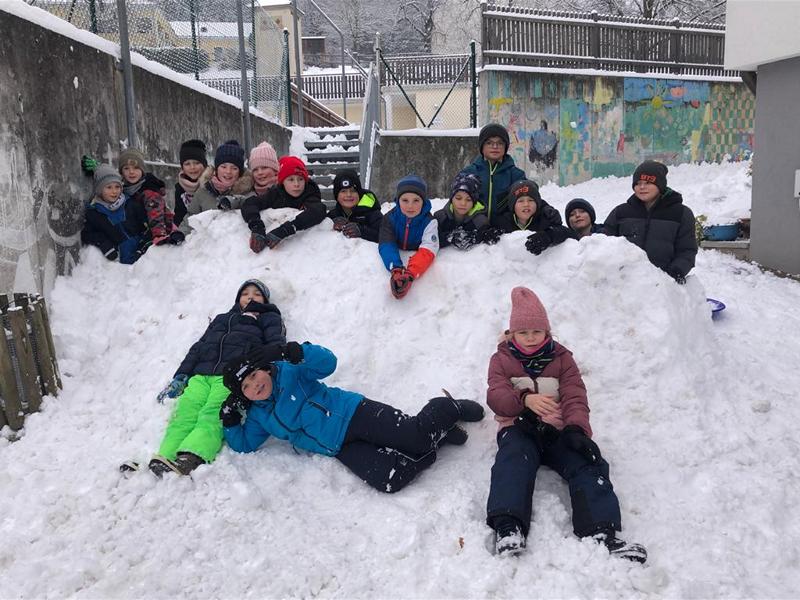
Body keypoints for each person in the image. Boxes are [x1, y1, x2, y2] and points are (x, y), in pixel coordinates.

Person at [485, 287, 647, 562]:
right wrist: (525, 400)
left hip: (556, 429)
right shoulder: (501, 360)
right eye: (523, 332)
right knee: (512, 460)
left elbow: (575, 396)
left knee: (587, 461)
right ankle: (508, 526)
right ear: (512, 334)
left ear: (547, 332)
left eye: (537, 331)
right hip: (519, 428)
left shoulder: (562, 359)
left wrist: (576, 429)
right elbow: (496, 395)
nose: (530, 337)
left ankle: (600, 531)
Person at [220, 342, 485, 493]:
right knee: (390, 480)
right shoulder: (258, 416)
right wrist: (230, 420)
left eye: (254, 375)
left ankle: (450, 408)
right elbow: (245, 444)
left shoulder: (290, 371)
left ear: (264, 369)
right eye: (246, 387)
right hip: (338, 446)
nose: (254, 385)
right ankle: (437, 436)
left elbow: (328, 363)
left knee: (415, 436)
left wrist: (295, 352)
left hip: (354, 413)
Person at [124, 279, 286, 477]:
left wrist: (267, 372)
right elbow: (199, 347)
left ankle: (192, 455)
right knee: (184, 414)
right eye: (245, 293)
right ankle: (165, 456)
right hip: (200, 375)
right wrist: (182, 375)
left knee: (212, 414)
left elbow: (275, 346)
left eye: (257, 294)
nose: (250, 297)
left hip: (230, 377)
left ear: (265, 300)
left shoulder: (268, 318)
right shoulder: (222, 319)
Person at [604, 160, 697, 283]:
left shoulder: (680, 213)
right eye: (638, 183)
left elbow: (687, 250)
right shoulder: (621, 212)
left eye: (648, 182)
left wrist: (675, 272)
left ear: (660, 185)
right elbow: (605, 245)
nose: (642, 187)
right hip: (624, 284)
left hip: (664, 284)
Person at [241, 156, 326, 252]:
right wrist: (257, 227)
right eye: (291, 179)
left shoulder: (309, 193)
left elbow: (317, 210)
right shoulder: (276, 194)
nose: (296, 184)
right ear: (283, 182)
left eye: (300, 179)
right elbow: (250, 203)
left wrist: (285, 230)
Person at [378, 175, 439, 299]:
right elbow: (387, 244)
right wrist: (395, 269)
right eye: (405, 200)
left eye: (416, 200)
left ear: (423, 201)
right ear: (398, 201)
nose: (410, 206)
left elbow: (428, 249)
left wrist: (410, 273)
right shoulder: (389, 219)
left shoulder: (429, 222)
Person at [177, 140, 252, 237]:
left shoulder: (248, 191)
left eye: (234, 168)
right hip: (208, 244)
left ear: (240, 172)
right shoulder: (203, 192)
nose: (228, 172)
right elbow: (191, 217)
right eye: (223, 167)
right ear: (216, 169)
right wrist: (180, 233)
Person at [81, 164, 150, 264]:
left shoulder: (131, 204)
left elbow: (147, 226)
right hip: (119, 265)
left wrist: (143, 246)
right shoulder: (95, 213)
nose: (114, 191)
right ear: (100, 190)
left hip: (143, 258)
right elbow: (87, 234)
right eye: (109, 187)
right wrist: (104, 243)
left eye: (117, 187)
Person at [463, 123, 526, 224]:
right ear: (482, 146)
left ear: (505, 147)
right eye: (489, 143)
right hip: (474, 228)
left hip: (506, 229)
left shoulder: (516, 175)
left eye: (500, 143)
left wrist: (545, 210)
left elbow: (529, 199)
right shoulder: (468, 173)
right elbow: (456, 201)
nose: (495, 146)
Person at [118, 148, 183, 246]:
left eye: (136, 168)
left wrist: (159, 234)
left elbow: (156, 213)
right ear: (121, 172)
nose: (131, 172)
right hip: (138, 230)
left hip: (158, 229)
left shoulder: (149, 189)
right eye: (126, 168)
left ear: (142, 170)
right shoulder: (123, 189)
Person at [494, 180, 571, 255]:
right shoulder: (503, 222)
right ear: (512, 206)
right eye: (520, 201)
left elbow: (568, 233)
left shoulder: (545, 219)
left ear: (538, 204)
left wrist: (548, 236)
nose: (526, 204)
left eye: (530, 200)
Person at [434, 171, 500, 250]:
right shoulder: (440, 217)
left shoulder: (480, 221)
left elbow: (486, 235)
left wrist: (478, 237)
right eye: (458, 198)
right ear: (451, 199)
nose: (463, 203)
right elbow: (431, 239)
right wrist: (449, 237)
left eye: (468, 200)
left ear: (474, 202)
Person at [328, 170, 382, 243]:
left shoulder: (373, 213)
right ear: (336, 195)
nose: (349, 195)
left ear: (359, 193)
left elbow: (385, 236)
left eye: (353, 191)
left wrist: (362, 231)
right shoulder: (332, 215)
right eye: (343, 191)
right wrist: (330, 224)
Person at [174, 139, 208, 227]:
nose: (192, 167)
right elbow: (179, 217)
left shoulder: (213, 184)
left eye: (197, 163)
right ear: (182, 167)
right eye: (187, 164)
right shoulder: (180, 188)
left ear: (204, 164)